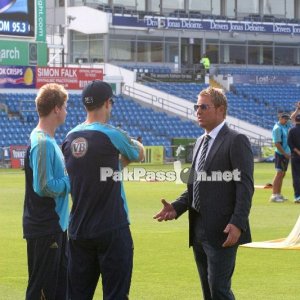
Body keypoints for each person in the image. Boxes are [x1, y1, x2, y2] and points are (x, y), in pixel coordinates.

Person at [154, 87, 254, 300]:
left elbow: (245, 187)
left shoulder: (236, 140)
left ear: (220, 109)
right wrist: (177, 207)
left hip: (224, 230)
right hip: (198, 227)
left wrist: (238, 223)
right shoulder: (200, 141)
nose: (197, 111)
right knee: (208, 292)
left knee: (219, 290)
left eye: (203, 107)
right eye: (196, 106)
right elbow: (196, 184)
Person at [62, 80, 144, 300]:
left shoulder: (69, 137)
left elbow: (84, 171)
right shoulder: (112, 134)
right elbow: (139, 154)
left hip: (79, 228)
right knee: (116, 294)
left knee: (77, 295)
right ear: (108, 103)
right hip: (111, 227)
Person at [22, 83, 70, 299]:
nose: (67, 111)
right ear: (56, 109)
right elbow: (44, 186)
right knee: (42, 292)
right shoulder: (42, 142)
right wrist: (71, 182)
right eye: (65, 106)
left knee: (59, 290)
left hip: (55, 225)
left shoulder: (49, 140)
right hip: (45, 226)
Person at [269, 112, 291, 202]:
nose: (286, 120)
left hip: (285, 154)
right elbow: (277, 143)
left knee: (282, 174)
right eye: (285, 119)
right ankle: (274, 195)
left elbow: (292, 118)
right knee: (279, 174)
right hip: (280, 154)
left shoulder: (285, 125)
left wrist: (298, 109)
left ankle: (278, 194)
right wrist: (284, 154)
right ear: (280, 118)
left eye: (287, 119)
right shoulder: (277, 128)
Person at [288, 114, 300, 203]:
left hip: (295, 156)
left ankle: (297, 196)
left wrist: (297, 151)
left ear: (295, 120)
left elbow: (290, 143)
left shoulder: (291, 130)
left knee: (296, 176)